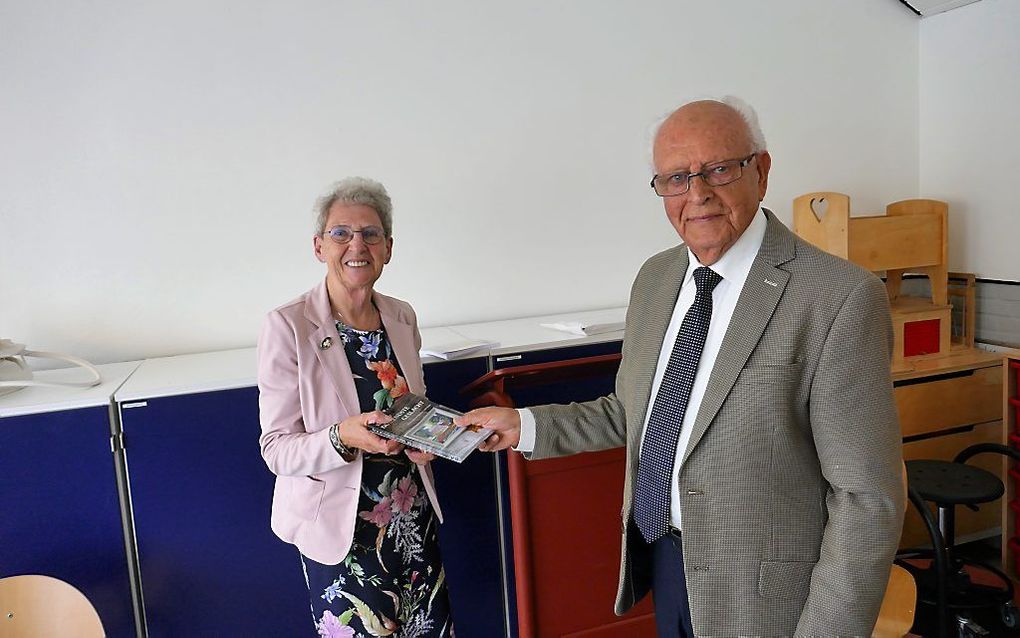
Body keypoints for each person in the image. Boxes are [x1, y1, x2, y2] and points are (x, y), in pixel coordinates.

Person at [456, 98, 905, 636]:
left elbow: (866, 501)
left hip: (770, 600)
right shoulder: (656, 278)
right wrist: (522, 425)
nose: (697, 194)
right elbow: (637, 412)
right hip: (667, 567)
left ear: (760, 172)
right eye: (675, 177)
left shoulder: (838, 297)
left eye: (719, 169)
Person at [258, 177, 453, 637]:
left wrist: (426, 441)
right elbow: (277, 449)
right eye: (341, 233)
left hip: (411, 520)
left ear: (388, 247)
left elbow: (412, 409)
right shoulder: (287, 326)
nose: (356, 245)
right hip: (341, 535)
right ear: (318, 246)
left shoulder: (401, 316)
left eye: (370, 234)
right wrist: (341, 437)